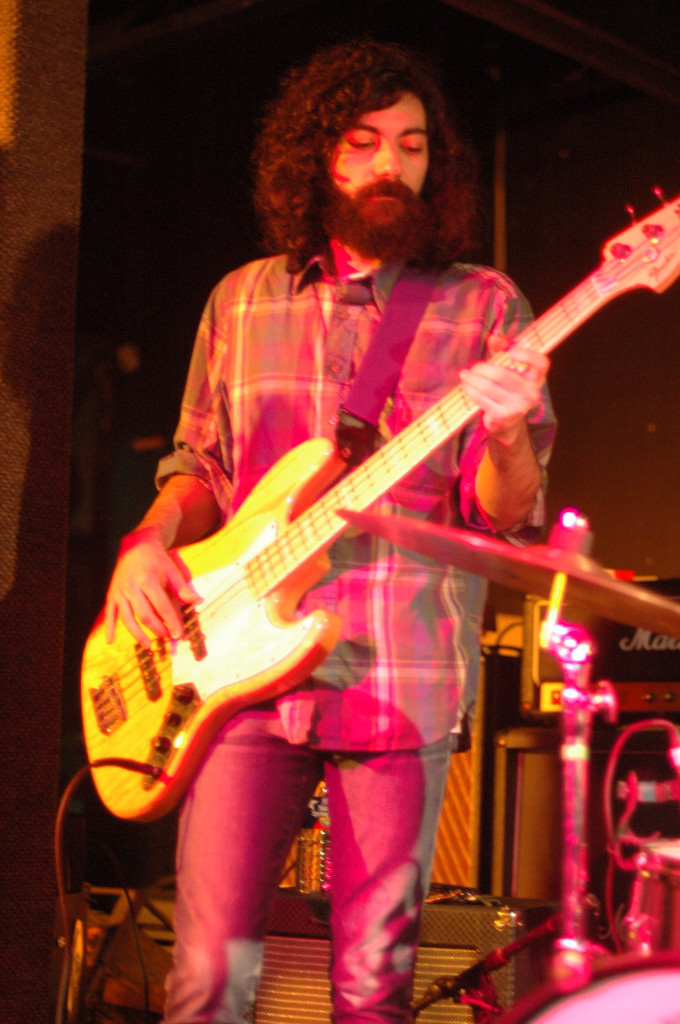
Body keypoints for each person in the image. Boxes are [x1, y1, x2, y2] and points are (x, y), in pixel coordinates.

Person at [104, 38, 556, 1024]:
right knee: (207, 977)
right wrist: (147, 540)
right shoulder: (241, 300)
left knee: (371, 987)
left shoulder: (484, 306)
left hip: (402, 677)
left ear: (437, 164)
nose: (391, 164)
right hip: (234, 679)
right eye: (364, 142)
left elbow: (506, 512)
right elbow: (200, 468)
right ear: (318, 157)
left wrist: (506, 429)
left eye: (412, 145)